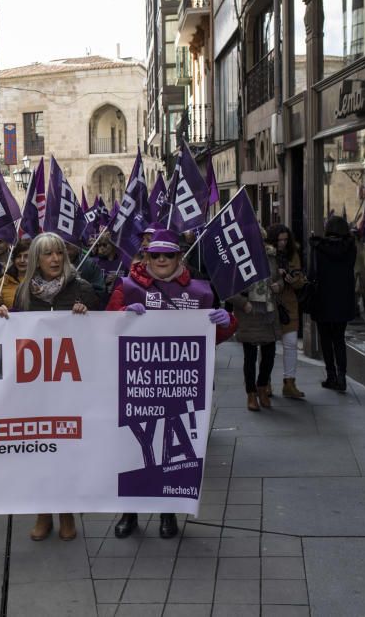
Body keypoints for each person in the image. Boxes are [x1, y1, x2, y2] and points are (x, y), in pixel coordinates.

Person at [106, 229, 237, 540]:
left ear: (180, 257)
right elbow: (106, 324)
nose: (161, 260)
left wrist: (227, 322)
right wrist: (123, 314)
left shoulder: (200, 291)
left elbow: (212, 338)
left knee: (173, 453)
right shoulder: (127, 286)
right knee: (133, 449)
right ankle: (129, 514)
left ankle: (168, 513)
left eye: (168, 255)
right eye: (155, 255)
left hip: (178, 387)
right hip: (136, 384)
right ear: (147, 256)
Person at [0, 232, 99, 542]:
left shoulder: (82, 289)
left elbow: (99, 331)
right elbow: (17, 333)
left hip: (69, 386)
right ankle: (42, 512)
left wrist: (85, 314)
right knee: (39, 449)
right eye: (47, 254)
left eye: (59, 254)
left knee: (64, 450)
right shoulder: (24, 292)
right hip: (35, 387)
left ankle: (66, 512)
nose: (54, 259)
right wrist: (2, 316)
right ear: (36, 260)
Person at [227, 239, 281, 411]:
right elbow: (227, 288)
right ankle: (251, 394)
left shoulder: (270, 256)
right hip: (249, 313)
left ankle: (262, 387)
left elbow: (280, 279)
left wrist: (278, 285)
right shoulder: (237, 259)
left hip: (268, 312)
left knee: (269, 356)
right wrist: (243, 303)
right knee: (249, 357)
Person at [310, 216, 357, 392]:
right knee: (339, 339)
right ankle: (342, 376)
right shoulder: (351, 247)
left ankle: (330, 376)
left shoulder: (318, 246)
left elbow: (312, 272)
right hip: (343, 299)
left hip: (322, 298)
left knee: (325, 339)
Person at [268, 225, 306, 398]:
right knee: (267, 345)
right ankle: (264, 383)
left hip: (289, 303)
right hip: (270, 303)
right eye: (279, 240)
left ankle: (289, 383)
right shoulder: (266, 253)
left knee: (290, 343)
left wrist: (292, 279)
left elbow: (300, 281)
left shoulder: (293, 254)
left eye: (285, 239)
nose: (282, 243)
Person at [0, 239, 31, 310]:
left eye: (26, 256)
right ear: (14, 259)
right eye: (18, 256)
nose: (22, 260)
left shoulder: (40, 279)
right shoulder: (4, 281)